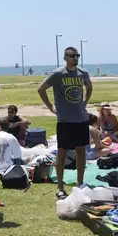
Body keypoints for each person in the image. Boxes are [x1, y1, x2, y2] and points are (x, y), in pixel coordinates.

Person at [37, 46, 92, 200]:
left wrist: (85, 102)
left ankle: (80, 183)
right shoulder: (58, 74)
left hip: (81, 119)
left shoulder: (83, 73)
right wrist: (50, 107)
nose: (75, 58)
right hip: (65, 120)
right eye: (71, 56)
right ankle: (60, 187)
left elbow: (89, 87)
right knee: (62, 152)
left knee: (81, 151)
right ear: (65, 58)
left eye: (77, 55)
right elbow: (41, 89)